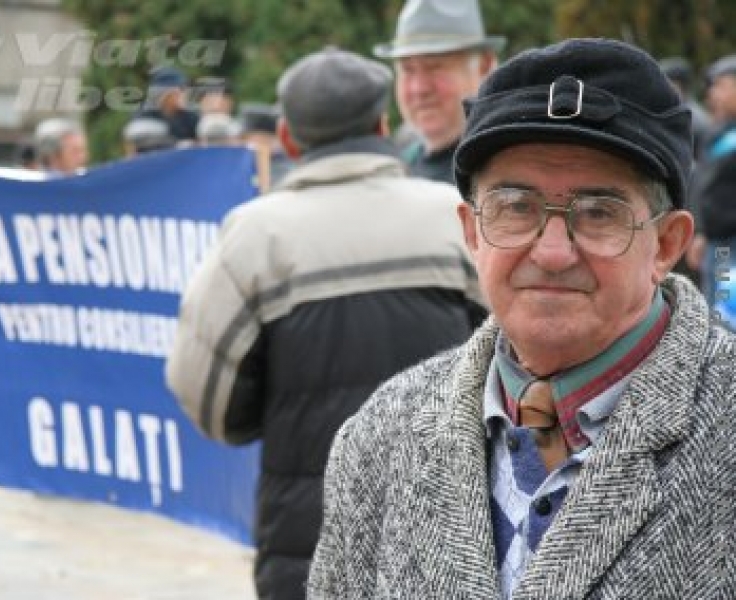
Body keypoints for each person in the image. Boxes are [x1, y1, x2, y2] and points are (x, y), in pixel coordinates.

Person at [309, 38, 736, 599]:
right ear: (471, 232)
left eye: (598, 212)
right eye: (515, 206)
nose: (552, 251)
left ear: (666, 243)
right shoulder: (382, 434)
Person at [166, 47, 486, 600]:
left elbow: (206, 400)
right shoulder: (453, 217)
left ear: (288, 138)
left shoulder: (254, 237)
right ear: (383, 125)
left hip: (305, 538)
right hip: (449, 524)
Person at [374, 0, 503, 182]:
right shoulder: (401, 162)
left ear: (484, 65)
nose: (419, 88)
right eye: (407, 70)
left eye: (435, 67)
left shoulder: (501, 168)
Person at [687, 55, 736, 309]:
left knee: (726, 314)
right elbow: (706, 186)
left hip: (730, 243)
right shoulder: (720, 132)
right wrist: (701, 231)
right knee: (717, 309)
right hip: (717, 243)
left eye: (721, 86)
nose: (712, 95)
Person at [138, 66, 200, 142]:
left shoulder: (190, 115)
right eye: (181, 89)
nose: (185, 93)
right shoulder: (145, 115)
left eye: (185, 89)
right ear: (165, 94)